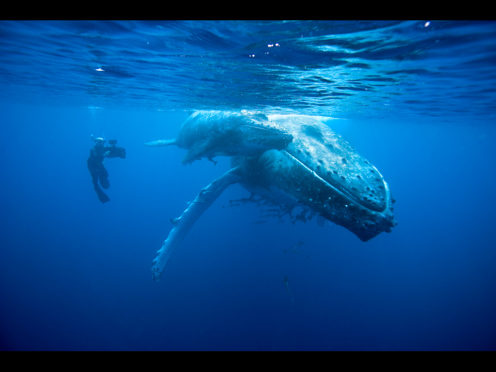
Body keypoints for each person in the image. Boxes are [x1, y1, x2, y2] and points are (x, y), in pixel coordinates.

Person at [87, 136, 126, 203]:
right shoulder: (93, 149)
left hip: (99, 165)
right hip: (92, 165)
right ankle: (101, 195)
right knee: (95, 180)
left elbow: (113, 150)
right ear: (96, 142)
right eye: (99, 142)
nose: (100, 143)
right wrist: (104, 155)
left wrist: (115, 147)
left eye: (102, 142)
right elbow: (96, 157)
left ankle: (102, 181)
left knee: (105, 175)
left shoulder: (103, 148)